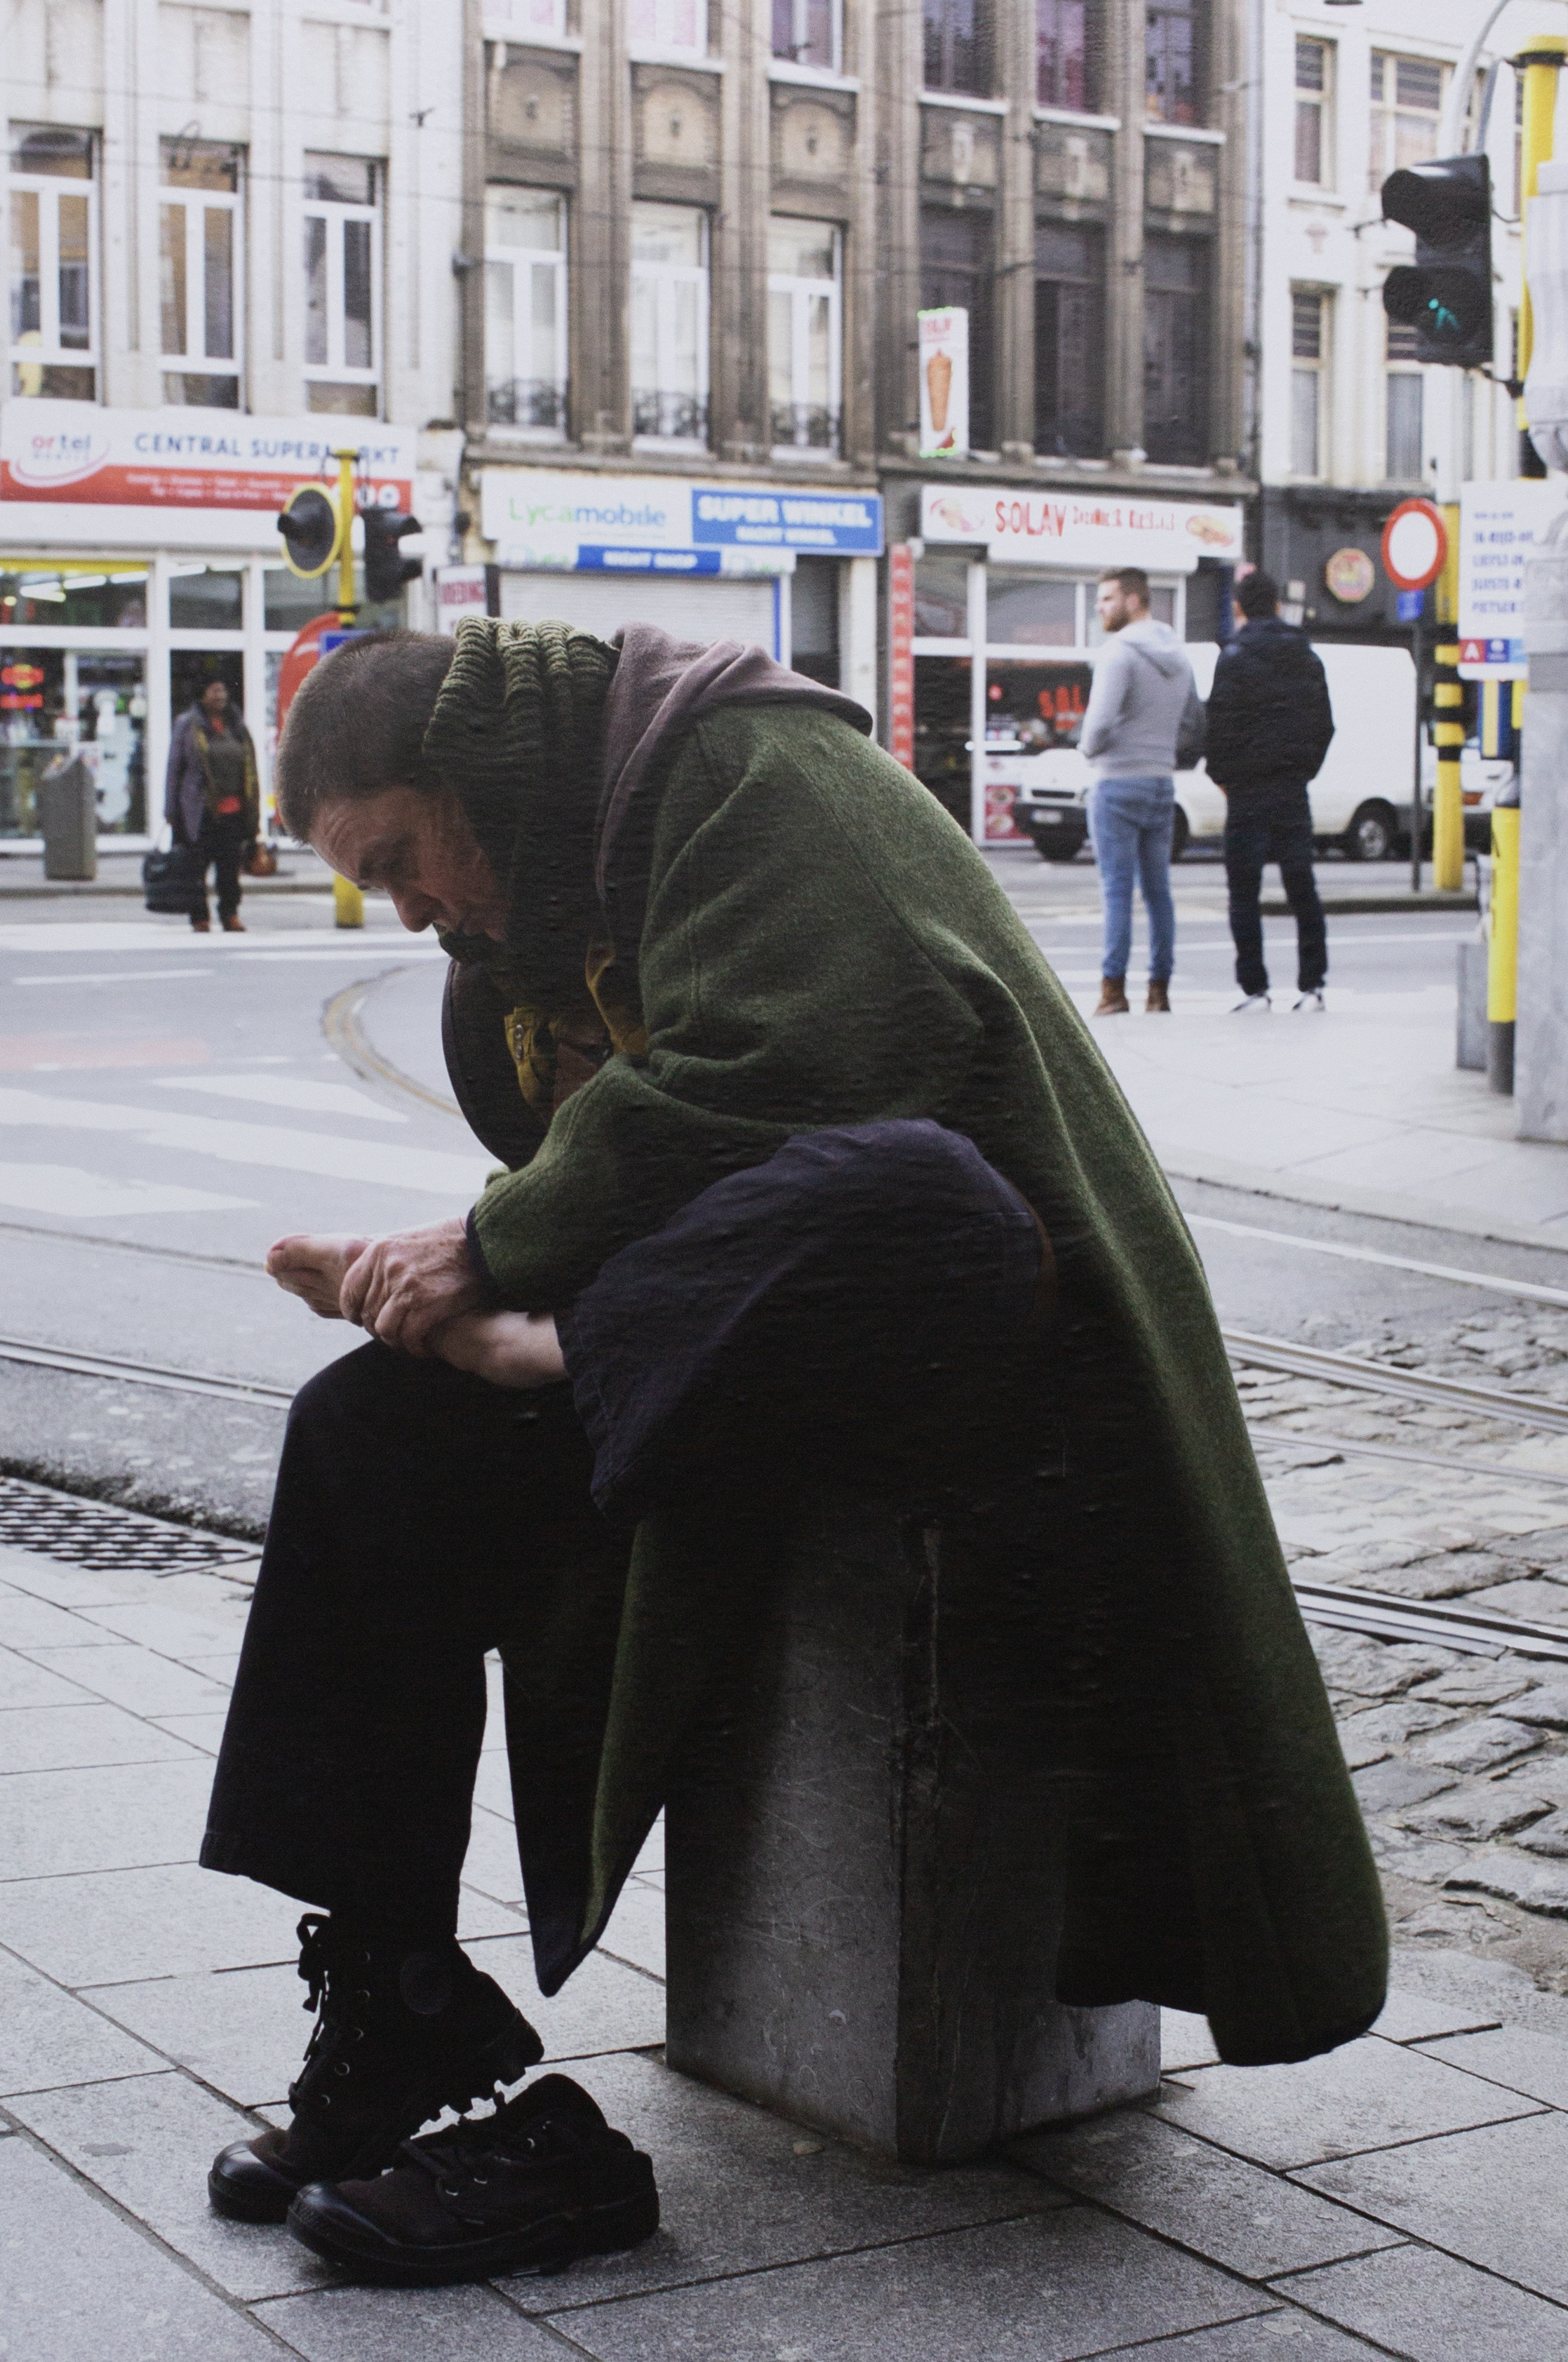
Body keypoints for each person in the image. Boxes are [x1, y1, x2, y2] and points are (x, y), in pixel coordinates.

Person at [196, 619, 1385, 2286]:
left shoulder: (749, 768)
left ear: (472, 779)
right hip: (720, 1348)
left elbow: (816, 1064)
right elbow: (631, 1160)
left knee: (914, 1187)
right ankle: (398, 1996)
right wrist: (528, 1250)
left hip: (989, 1343)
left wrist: (492, 1250)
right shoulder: (548, 897)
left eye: (400, 862)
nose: (408, 914)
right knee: (364, 1431)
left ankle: (564, 1353)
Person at [1205, 570, 1334, 1013]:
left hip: (1246, 792)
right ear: (1278, 605)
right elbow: (1324, 725)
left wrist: (1224, 777)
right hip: (1291, 788)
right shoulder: (1307, 657)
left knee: (1244, 892)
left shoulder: (1233, 658)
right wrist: (1303, 771)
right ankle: (1312, 985)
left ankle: (1255, 989)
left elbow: (1218, 726)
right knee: (1302, 887)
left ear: (1239, 607)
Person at [1078, 566, 1205, 1018]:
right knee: (1158, 891)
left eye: (1107, 599)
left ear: (1134, 601)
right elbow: (1193, 722)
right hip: (1161, 783)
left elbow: (1099, 724)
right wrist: (1161, 751)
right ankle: (1159, 990)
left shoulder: (1118, 653)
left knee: (1117, 891)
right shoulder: (1179, 656)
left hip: (1116, 782)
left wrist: (1087, 749)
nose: (1100, 608)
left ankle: (1113, 993)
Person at [163, 678, 260, 933]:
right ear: (202, 694)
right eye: (214, 690)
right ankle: (200, 917)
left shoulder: (237, 725)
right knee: (196, 868)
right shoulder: (187, 725)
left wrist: (253, 812)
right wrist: (171, 811)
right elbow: (174, 770)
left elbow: (250, 769)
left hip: (234, 811)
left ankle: (230, 914)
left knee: (229, 868)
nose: (220, 695)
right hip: (199, 812)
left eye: (223, 690)